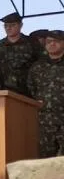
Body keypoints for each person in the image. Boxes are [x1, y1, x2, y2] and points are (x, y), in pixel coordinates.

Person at [26, 30, 64, 158]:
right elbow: (31, 88)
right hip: (45, 121)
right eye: (49, 42)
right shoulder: (37, 67)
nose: (52, 44)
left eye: (56, 41)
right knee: (46, 160)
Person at [0, 12, 41, 97]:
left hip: (27, 92)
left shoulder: (32, 42)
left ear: (20, 25)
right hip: (4, 91)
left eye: (12, 25)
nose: (8, 28)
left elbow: (41, 64)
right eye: (6, 26)